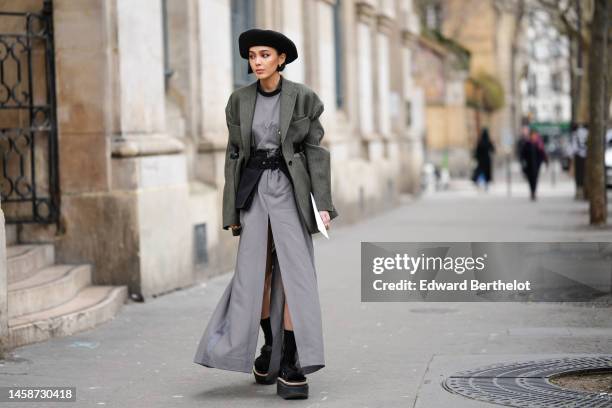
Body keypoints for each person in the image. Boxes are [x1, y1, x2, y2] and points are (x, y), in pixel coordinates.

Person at [193, 28, 339, 400]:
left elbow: (315, 152)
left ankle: (291, 360)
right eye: (253, 56)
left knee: (295, 274)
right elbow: (233, 157)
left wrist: (322, 203)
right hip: (254, 192)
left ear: (281, 59)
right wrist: (231, 210)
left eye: (264, 55)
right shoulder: (238, 101)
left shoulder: (304, 98)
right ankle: (270, 347)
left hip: (290, 190)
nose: (257, 61)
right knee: (254, 273)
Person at [520, 129, 548, 200]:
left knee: (535, 178)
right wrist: (523, 162)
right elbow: (522, 154)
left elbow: (542, 153)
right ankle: (532, 191)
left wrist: (545, 161)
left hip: (537, 164)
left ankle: (534, 192)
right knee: (530, 179)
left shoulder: (539, 143)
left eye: (535, 135)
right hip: (528, 164)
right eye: (532, 135)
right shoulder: (527, 143)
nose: (534, 136)